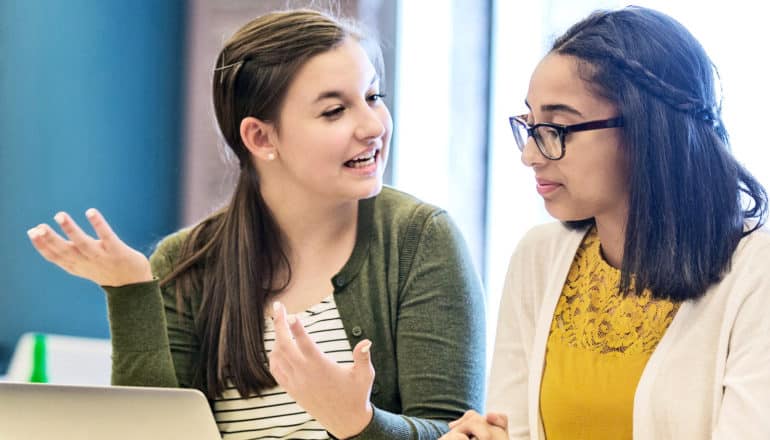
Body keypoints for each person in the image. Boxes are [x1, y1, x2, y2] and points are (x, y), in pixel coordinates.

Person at [26, 9, 485, 439]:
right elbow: (150, 433)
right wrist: (130, 290)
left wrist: (357, 422)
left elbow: (457, 431)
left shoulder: (420, 239)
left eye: (372, 96)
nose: (373, 125)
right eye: (334, 110)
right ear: (260, 137)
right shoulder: (187, 261)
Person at [442, 6, 769, 440]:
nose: (531, 154)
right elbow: (514, 429)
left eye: (557, 128)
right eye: (531, 125)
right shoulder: (538, 258)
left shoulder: (755, 275)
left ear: (648, 130)